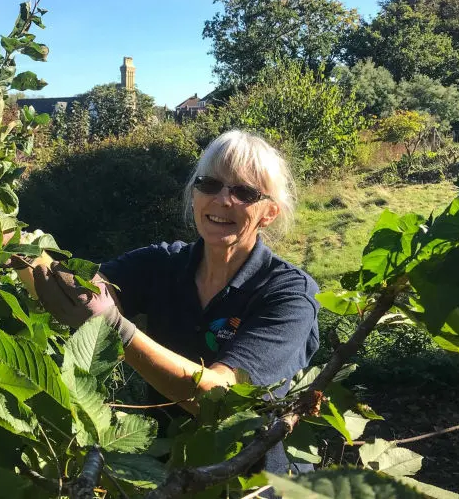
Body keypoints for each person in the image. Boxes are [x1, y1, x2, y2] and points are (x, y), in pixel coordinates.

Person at [31, 130, 320, 475]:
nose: (223, 200)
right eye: (209, 184)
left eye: (243, 192)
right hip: (161, 471)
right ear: (194, 194)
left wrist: (119, 330)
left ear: (269, 212)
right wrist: (10, 249)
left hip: (247, 480)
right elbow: (79, 289)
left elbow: (223, 399)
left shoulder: (288, 293)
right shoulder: (162, 263)